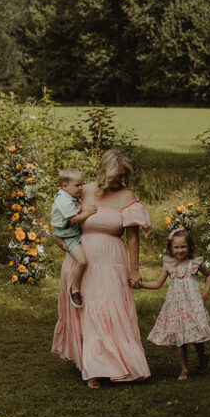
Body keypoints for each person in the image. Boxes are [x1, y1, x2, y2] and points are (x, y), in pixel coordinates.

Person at [51, 149, 151, 388]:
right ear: (108, 172)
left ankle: (120, 364)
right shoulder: (82, 191)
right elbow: (60, 218)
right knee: (90, 311)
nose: (123, 180)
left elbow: (133, 238)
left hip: (113, 261)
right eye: (120, 175)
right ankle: (93, 368)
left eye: (126, 176)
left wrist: (134, 270)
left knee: (113, 308)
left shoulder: (127, 195)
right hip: (84, 261)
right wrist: (63, 244)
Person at [141, 227, 210, 380]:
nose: (180, 250)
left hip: (193, 305)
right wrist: (141, 285)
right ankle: (184, 369)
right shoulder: (169, 264)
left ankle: (202, 360)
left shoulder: (195, 263)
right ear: (170, 248)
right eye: (176, 247)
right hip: (176, 307)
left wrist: (206, 293)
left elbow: (209, 275)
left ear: (189, 247)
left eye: (183, 247)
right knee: (180, 340)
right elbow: (158, 283)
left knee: (196, 338)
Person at [50, 168, 96, 308]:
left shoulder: (68, 195)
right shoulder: (63, 200)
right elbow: (74, 219)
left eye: (82, 184)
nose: (81, 188)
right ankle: (74, 289)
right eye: (77, 185)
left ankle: (56, 236)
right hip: (68, 234)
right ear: (65, 186)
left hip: (69, 231)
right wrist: (88, 212)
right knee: (82, 261)